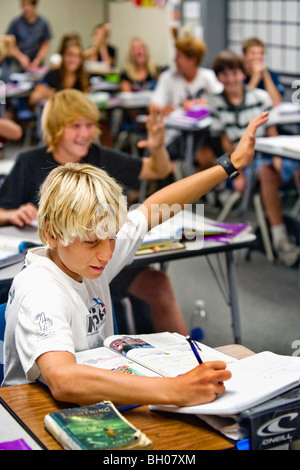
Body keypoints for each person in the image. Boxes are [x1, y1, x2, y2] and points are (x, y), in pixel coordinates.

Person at [2, 111, 269, 408]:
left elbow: (155, 207)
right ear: (52, 235)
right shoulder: (41, 289)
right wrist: (174, 389)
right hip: (34, 415)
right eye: (92, 242)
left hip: (95, 400)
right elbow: (64, 380)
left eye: (113, 237)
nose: (106, 253)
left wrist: (229, 164)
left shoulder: (85, 253)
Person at [0, 88, 187, 334]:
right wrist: (11, 214)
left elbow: (157, 170)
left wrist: (158, 146)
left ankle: (184, 350)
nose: (85, 134)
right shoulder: (29, 162)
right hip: (56, 264)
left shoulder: (98, 156)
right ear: (56, 128)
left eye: (89, 125)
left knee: (158, 283)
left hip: (98, 260)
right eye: (75, 126)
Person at [206, 50, 300, 267]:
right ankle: (280, 240)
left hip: (269, 153)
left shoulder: (260, 97)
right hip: (245, 162)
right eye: (225, 75)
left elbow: (271, 131)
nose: (230, 79)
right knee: (267, 172)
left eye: (235, 73)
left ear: (243, 74)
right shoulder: (216, 102)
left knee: (288, 168)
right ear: (219, 77)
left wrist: (278, 157)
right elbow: (223, 144)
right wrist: (234, 173)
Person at [150, 36, 223, 160]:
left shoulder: (207, 76)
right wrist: (162, 109)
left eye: (179, 56)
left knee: (208, 156)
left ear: (192, 60)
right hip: (176, 135)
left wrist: (196, 104)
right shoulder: (168, 77)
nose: (175, 60)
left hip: (205, 134)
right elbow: (153, 105)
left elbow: (222, 100)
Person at [29, 39, 89, 106]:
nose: (73, 59)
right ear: (62, 56)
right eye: (70, 55)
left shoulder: (83, 77)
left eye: (77, 56)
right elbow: (33, 99)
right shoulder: (52, 75)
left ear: (81, 59)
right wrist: (46, 94)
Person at [6, 0, 52, 72]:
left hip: (36, 64)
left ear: (34, 5)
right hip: (18, 64)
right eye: (23, 5)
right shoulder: (16, 22)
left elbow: (45, 43)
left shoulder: (43, 23)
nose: (25, 9)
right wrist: (20, 57)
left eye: (27, 5)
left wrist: (38, 59)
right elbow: (10, 43)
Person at [242, 37, 284, 107]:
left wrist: (265, 74)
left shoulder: (272, 74)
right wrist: (255, 77)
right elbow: (243, 103)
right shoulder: (239, 75)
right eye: (253, 53)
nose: (258, 57)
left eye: (261, 53)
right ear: (244, 56)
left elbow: (276, 103)